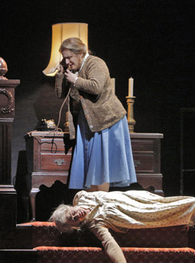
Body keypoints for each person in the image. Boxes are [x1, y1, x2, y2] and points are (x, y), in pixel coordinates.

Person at [50, 190, 195, 263]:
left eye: (72, 214)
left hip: (136, 198)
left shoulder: (83, 197)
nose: (77, 215)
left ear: (70, 207)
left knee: (163, 201)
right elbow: (109, 242)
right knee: (190, 204)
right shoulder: (94, 223)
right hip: (138, 212)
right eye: (75, 220)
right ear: (77, 226)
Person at [55, 37, 137, 192]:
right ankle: (92, 205)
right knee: (90, 169)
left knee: (101, 168)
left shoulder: (95, 63)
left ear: (80, 53)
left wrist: (76, 80)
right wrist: (60, 74)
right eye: (64, 58)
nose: (67, 62)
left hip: (106, 121)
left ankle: (100, 205)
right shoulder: (73, 70)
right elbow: (61, 94)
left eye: (69, 58)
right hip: (88, 123)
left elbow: (96, 87)